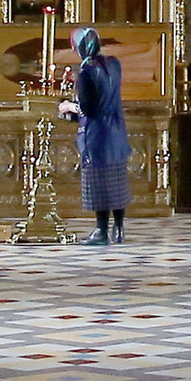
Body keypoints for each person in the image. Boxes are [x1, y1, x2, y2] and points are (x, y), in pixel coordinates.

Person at [73, 28, 129, 246]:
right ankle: (119, 227)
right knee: (117, 180)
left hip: (97, 134)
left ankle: (101, 230)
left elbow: (89, 108)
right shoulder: (113, 64)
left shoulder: (86, 70)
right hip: (116, 128)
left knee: (99, 183)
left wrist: (70, 106)